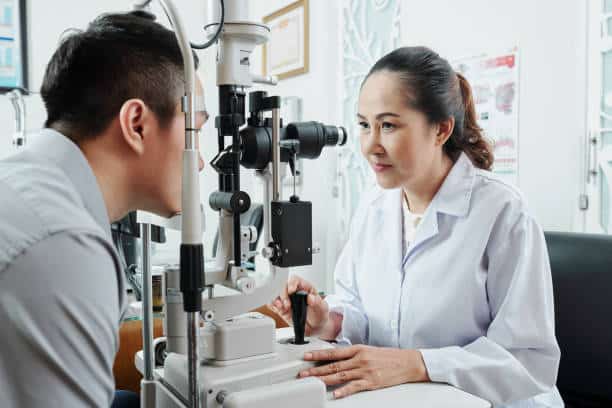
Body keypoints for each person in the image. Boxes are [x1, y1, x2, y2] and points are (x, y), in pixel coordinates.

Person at [271, 46, 563, 407]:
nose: (371, 146)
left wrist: (418, 363)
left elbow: (528, 361)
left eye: (388, 125)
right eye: (364, 125)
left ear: (441, 129)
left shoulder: (503, 211)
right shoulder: (373, 206)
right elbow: (361, 308)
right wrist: (328, 320)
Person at [0, 11, 206, 407]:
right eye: (194, 127)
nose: (200, 160)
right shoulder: (64, 245)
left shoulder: (29, 186)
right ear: (137, 123)